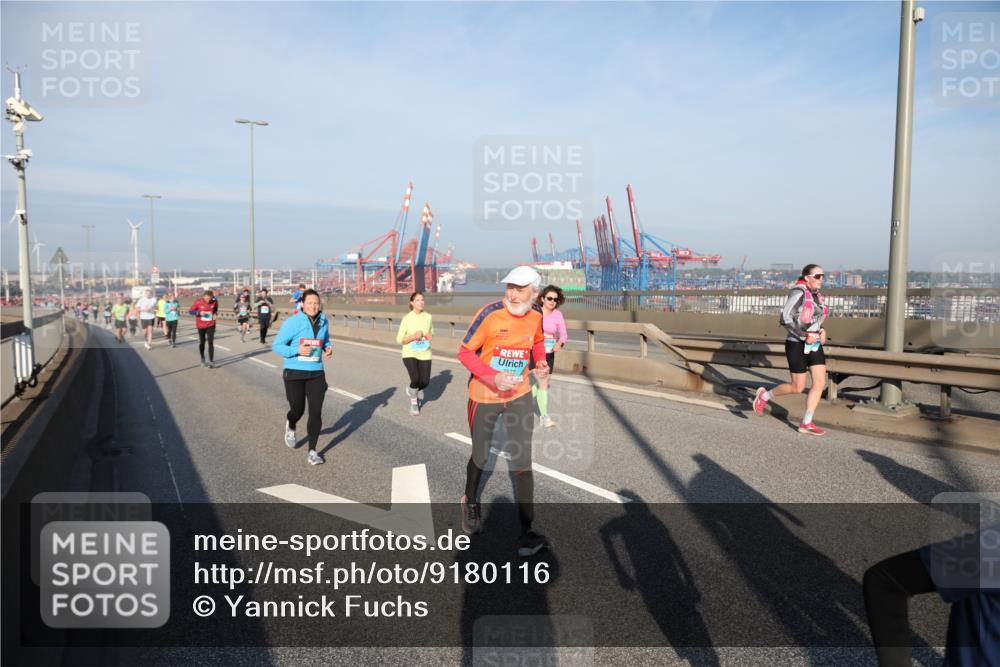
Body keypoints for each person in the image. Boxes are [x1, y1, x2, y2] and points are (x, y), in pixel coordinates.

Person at [457, 266, 549, 557]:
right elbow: (464, 351)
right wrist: (492, 377)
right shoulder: (489, 314)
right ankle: (470, 501)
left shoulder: (537, 315)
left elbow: (537, 342)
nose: (512, 294)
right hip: (484, 395)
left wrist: (540, 362)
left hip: (519, 394)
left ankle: (527, 531)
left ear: (534, 293)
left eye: (520, 289)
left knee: (522, 460)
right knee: (481, 455)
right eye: (510, 287)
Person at [752, 264, 829, 435]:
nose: (821, 279)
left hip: (814, 343)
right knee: (797, 387)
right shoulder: (798, 292)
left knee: (819, 383)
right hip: (796, 343)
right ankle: (764, 396)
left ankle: (806, 422)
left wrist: (822, 330)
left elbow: (814, 319)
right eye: (817, 276)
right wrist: (804, 335)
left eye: (823, 276)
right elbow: (785, 319)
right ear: (807, 277)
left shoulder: (816, 295)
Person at [272, 289, 333, 466]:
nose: (313, 306)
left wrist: (328, 348)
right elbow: (277, 346)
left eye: (316, 303)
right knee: (297, 410)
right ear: (303, 304)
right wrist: (297, 350)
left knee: (316, 412)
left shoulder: (324, 320)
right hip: (294, 373)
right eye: (310, 303)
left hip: (316, 373)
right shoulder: (293, 322)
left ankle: (312, 451)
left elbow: (325, 340)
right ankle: (291, 424)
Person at [532, 285, 568, 429]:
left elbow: (564, 334)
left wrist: (560, 343)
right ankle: (543, 417)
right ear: (542, 298)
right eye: (549, 298)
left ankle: (524, 400)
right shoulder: (534, 312)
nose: (553, 301)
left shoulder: (557, 314)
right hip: (534, 352)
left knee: (544, 383)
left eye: (555, 299)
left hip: (549, 353)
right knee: (542, 383)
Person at [395, 291, 433, 416]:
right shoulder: (407, 318)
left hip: (425, 352)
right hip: (409, 353)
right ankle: (414, 403)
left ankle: (411, 390)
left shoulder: (428, 317)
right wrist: (413, 336)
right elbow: (399, 339)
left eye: (422, 300)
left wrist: (428, 336)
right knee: (415, 379)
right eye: (417, 300)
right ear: (412, 303)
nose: (421, 302)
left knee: (425, 382)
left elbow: (431, 332)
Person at [188, 289, 219, 367]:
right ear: (203, 297)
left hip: (211, 324)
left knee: (210, 342)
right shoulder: (198, 302)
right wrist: (198, 312)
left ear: (212, 297)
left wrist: (215, 314)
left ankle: (211, 361)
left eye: (209, 299)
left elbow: (215, 310)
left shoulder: (214, 301)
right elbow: (190, 311)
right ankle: (202, 358)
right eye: (206, 298)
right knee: (202, 342)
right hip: (201, 325)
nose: (208, 300)